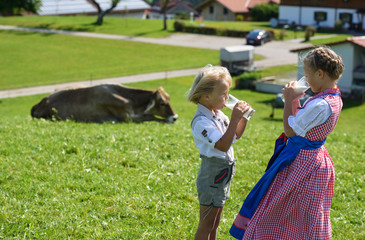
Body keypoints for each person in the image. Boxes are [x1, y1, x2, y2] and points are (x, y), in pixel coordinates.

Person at [230, 46, 344, 239]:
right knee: (297, 210)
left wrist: (288, 99)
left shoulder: (320, 105)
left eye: (308, 75)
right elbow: (301, 122)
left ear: (320, 73)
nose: (306, 80)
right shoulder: (332, 98)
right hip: (313, 160)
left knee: (281, 206)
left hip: (302, 163)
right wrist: (294, 102)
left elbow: (291, 131)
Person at [188, 65, 251, 240]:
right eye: (223, 94)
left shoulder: (217, 114)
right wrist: (235, 118)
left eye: (228, 92)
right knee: (206, 224)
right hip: (212, 175)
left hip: (223, 173)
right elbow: (222, 145)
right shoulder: (201, 122)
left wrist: (243, 118)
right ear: (206, 96)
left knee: (215, 223)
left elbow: (235, 136)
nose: (227, 98)